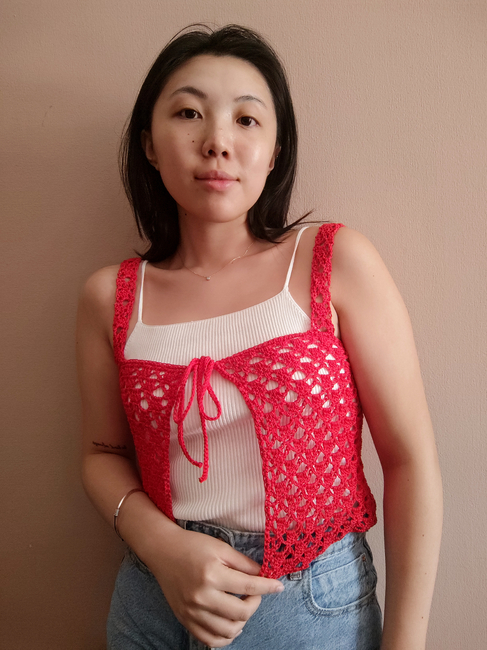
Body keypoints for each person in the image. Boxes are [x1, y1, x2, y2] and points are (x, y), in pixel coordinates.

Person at [76, 24, 442, 650]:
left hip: (308, 610)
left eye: (247, 120)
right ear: (149, 145)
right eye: (188, 113)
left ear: (274, 152)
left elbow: (409, 460)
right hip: (151, 601)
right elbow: (101, 453)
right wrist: (162, 547)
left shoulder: (332, 261)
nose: (217, 142)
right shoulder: (111, 297)